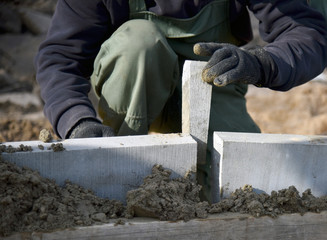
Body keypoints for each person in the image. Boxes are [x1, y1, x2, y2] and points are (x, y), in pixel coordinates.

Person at [35, 0, 327, 201]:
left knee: (241, 190)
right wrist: (77, 121)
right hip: (133, 90)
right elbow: (61, 58)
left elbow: (308, 32)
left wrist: (263, 62)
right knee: (139, 43)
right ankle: (111, 186)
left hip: (212, 82)